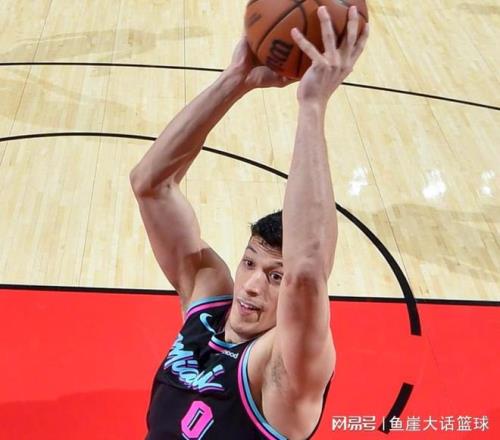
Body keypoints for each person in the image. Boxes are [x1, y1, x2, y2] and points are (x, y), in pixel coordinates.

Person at [130, 5, 369, 439]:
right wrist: (235, 79)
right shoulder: (207, 305)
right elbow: (151, 184)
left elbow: (307, 272)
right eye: (250, 263)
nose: (253, 285)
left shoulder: (280, 366)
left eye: (275, 276)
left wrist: (312, 105)